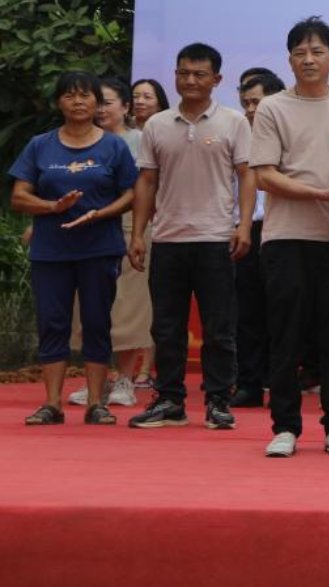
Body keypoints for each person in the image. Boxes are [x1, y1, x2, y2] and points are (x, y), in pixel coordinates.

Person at [250, 16, 329, 458]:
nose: (308, 59)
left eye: (317, 51)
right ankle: (284, 427)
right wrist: (319, 193)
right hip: (285, 237)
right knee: (286, 336)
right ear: (289, 60)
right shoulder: (272, 108)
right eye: (300, 52)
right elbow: (264, 175)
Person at [125, 43, 253, 432]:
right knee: (166, 327)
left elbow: (247, 175)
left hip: (216, 237)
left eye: (199, 74)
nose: (190, 80)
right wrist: (139, 233)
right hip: (168, 238)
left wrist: (244, 225)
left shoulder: (234, 122)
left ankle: (218, 400)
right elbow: (147, 180)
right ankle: (170, 400)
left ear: (217, 79)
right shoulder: (158, 124)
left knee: (219, 327)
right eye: (183, 73)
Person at [10, 72, 138, 426]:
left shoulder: (114, 146)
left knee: (97, 321)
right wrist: (53, 207)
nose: (78, 101)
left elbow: (131, 193)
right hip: (51, 250)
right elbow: (19, 196)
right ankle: (52, 403)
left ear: (97, 102)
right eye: (69, 95)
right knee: (53, 322)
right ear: (58, 103)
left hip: (99, 247)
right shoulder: (40, 145)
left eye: (85, 95)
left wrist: (101, 213)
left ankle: (96, 402)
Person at [65, 77, 151, 407]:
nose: (100, 109)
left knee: (128, 305)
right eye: (95, 102)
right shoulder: (78, 140)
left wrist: (140, 231)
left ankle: (125, 379)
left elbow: (147, 187)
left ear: (126, 107)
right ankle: (96, 380)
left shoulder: (139, 140)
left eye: (107, 102)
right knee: (89, 303)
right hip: (86, 229)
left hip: (130, 225)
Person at [231, 70, 283, 407]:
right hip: (245, 228)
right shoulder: (237, 136)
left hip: (283, 228)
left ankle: (280, 382)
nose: (250, 110)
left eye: (257, 102)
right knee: (246, 310)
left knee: (282, 309)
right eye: (246, 103)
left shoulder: (288, 134)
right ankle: (249, 382)